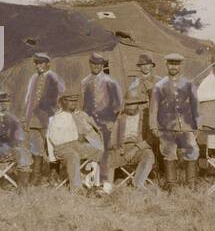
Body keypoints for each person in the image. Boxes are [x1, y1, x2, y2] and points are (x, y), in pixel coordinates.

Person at [149, 52, 200, 191]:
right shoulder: (159, 85)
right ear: (166, 65)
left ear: (180, 66)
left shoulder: (189, 84)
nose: (173, 67)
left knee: (192, 151)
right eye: (171, 64)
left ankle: (192, 184)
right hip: (166, 128)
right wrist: (153, 126)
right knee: (169, 154)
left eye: (176, 64)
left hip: (186, 126)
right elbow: (153, 108)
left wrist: (197, 126)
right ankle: (172, 186)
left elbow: (195, 106)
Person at [45, 91, 104, 192]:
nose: (73, 103)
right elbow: (52, 138)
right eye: (70, 101)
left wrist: (80, 139)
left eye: (75, 101)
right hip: (61, 147)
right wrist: (53, 158)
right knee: (73, 155)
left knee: (97, 150)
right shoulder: (57, 117)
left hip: (76, 144)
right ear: (64, 102)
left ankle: (90, 180)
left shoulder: (79, 115)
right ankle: (76, 189)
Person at [21, 52, 64, 183]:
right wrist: (26, 117)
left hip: (48, 117)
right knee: (36, 146)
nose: (38, 65)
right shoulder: (33, 77)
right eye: (37, 63)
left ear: (47, 64)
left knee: (51, 145)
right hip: (34, 118)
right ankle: (36, 175)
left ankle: (54, 174)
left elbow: (60, 92)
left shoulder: (53, 76)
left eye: (41, 63)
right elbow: (28, 98)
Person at [81, 51, 123, 183]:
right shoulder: (85, 81)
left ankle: (105, 182)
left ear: (102, 65)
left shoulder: (110, 81)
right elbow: (81, 104)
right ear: (89, 64)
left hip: (106, 123)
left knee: (106, 152)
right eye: (93, 63)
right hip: (89, 123)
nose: (96, 66)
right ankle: (91, 181)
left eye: (99, 64)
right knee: (92, 152)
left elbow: (119, 104)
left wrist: (112, 121)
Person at [105, 95, 155, 191]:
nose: (130, 107)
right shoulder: (120, 117)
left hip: (140, 148)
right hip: (122, 147)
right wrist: (116, 146)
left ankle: (137, 184)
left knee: (149, 155)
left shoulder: (146, 117)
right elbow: (112, 137)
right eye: (128, 104)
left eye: (133, 104)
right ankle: (107, 188)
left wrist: (135, 149)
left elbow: (151, 139)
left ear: (138, 104)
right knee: (108, 156)